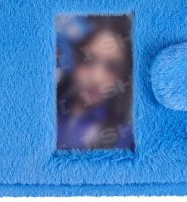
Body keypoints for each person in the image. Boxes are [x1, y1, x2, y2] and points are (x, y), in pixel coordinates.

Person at [57, 16, 134, 150]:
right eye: (87, 59)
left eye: (112, 67)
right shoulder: (45, 109)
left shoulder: (125, 138)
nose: (96, 78)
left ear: (123, 76)